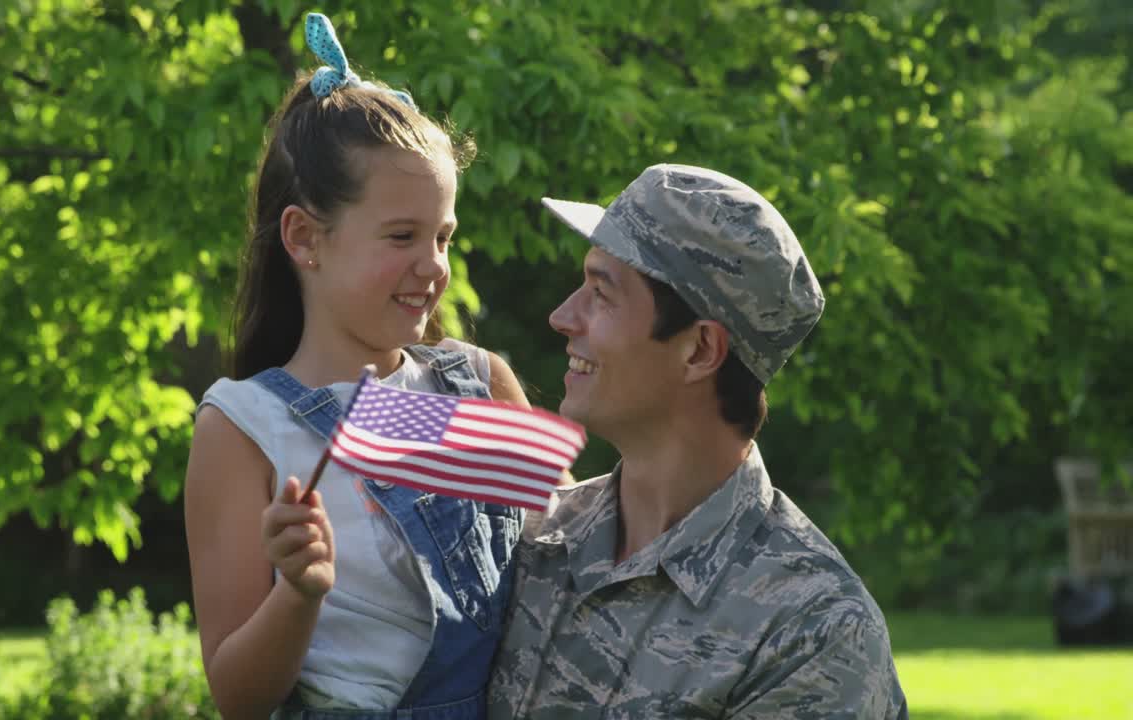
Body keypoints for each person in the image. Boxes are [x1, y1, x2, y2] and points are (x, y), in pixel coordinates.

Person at [184, 14, 532, 720]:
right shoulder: (243, 429)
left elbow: (574, 566)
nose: (433, 266)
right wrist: (298, 592)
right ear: (305, 238)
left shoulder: (480, 384)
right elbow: (238, 698)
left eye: (443, 237)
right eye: (402, 236)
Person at [488, 164, 908, 718]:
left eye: (601, 293)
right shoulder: (528, 542)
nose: (563, 316)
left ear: (701, 350)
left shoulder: (814, 632)